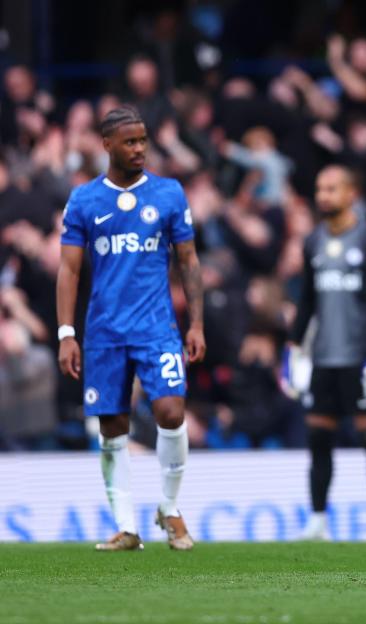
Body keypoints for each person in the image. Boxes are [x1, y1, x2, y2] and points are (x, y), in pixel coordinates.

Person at [56, 105, 206, 551]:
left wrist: (196, 323)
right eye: (130, 141)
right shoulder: (84, 199)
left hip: (157, 327)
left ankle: (170, 507)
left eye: (143, 140)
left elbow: (189, 261)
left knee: (171, 414)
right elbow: (69, 271)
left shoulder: (169, 193)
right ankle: (127, 528)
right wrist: (67, 333)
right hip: (104, 331)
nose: (140, 148)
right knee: (113, 427)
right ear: (107, 145)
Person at [281, 165, 366, 541]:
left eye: (331, 188)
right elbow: (307, 302)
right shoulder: (312, 241)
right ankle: (318, 520)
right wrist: (293, 348)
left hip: (360, 358)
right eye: (319, 188)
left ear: (351, 194)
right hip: (324, 358)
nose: (323, 195)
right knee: (318, 440)